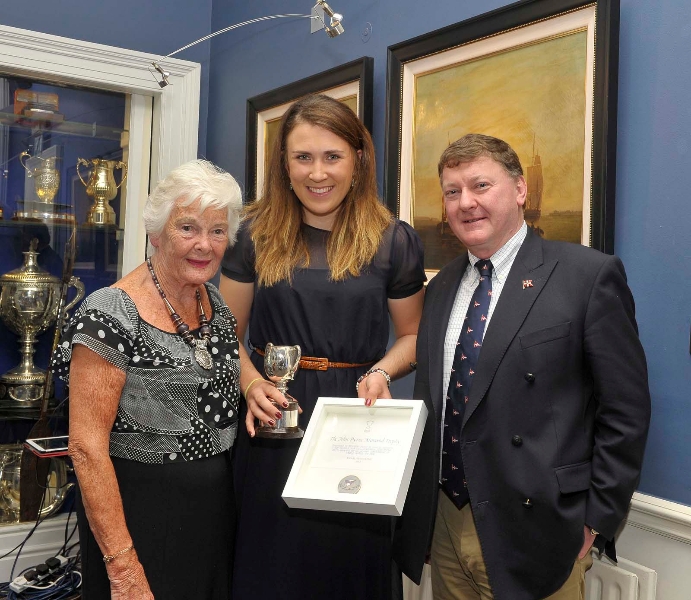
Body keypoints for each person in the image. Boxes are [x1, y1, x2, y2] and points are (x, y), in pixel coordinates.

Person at [392, 134, 651, 599]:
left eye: (480, 185)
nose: (466, 202)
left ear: (520, 189)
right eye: (452, 192)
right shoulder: (443, 285)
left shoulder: (586, 276)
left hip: (538, 529)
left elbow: (625, 409)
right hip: (447, 522)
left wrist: (597, 518)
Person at [220, 93, 426, 599]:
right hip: (273, 419)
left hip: (354, 422)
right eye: (303, 157)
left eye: (332, 156)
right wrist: (251, 384)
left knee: (348, 571)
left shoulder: (393, 240)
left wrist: (381, 372)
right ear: (284, 164)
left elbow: (414, 336)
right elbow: (223, 333)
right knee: (272, 570)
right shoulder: (251, 235)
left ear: (358, 159)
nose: (318, 173)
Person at [52, 160, 243, 599]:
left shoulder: (214, 302)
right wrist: (123, 568)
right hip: (137, 520)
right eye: (188, 228)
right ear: (157, 234)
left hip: (211, 518)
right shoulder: (109, 312)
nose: (204, 244)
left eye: (217, 231)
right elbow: (86, 448)